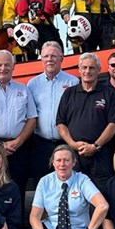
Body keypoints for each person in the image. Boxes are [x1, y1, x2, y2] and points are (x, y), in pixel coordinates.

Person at [0, 49, 37, 199]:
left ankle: (16, 222)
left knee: (18, 187)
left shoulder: (24, 90)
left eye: (6, 65)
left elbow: (31, 118)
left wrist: (18, 141)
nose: (3, 68)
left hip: (18, 147)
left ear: (13, 66)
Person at [56, 53, 115, 188]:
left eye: (91, 68)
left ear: (99, 70)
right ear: (79, 69)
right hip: (75, 154)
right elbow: (60, 123)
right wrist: (73, 144)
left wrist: (95, 146)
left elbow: (113, 124)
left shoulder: (109, 93)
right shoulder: (69, 93)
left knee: (103, 193)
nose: (87, 71)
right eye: (84, 67)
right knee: (74, 193)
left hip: (101, 154)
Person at [27, 40, 79, 184]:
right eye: (46, 56)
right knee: (41, 182)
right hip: (41, 144)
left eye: (53, 56)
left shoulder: (73, 82)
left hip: (65, 142)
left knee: (66, 181)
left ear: (61, 59)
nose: (49, 59)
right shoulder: (32, 84)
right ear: (41, 59)